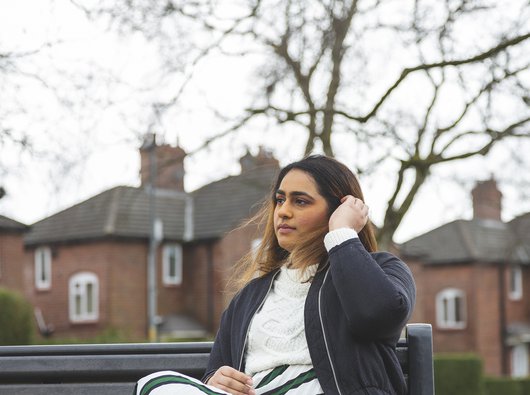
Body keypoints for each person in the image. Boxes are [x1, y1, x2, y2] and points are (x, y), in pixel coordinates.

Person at [136, 155, 416, 395]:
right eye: (280, 200)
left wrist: (342, 234)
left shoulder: (382, 269)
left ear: (336, 210)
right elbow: (218, 368)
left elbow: (378, 316)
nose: (283, 211)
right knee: (155, 385)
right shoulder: (249, 296)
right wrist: (216, 379)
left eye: (301, 202)